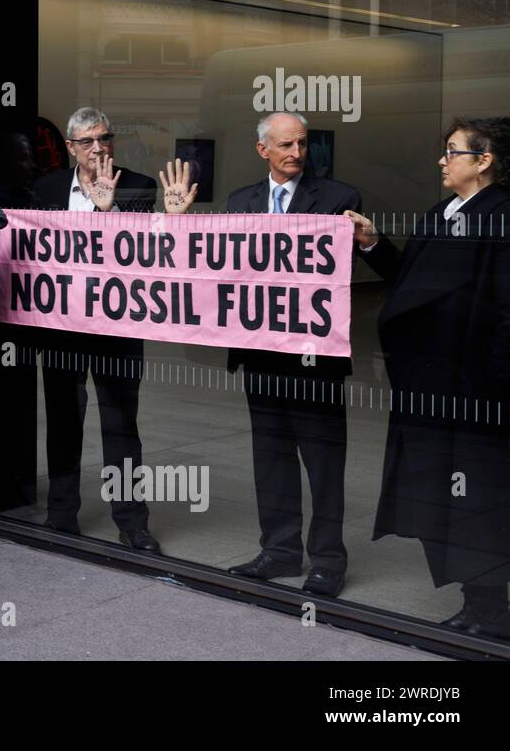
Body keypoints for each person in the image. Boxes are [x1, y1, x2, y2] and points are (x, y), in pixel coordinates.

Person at [164, 111, 365, 596]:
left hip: (315, 356)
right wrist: (180, 225)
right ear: (263, 151)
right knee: (270, 455)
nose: (296, 153)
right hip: (260, 353)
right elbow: (214, 270)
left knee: (323, 461)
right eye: (285, 146)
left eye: (302, 144)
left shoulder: (339, 199)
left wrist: (371, 240)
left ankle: (328, 561)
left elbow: (352, 263)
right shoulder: (241, 202)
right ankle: (278, 550)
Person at [349, 117, 510, 639]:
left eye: (452, 151)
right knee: (449, 494)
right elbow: (410, 282)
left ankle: (488, 609)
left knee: (478, 498)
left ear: (483, 161)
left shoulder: (502, 216)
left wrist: (493, 389)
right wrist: (373, 244)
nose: (442, 160)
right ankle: (477, 601)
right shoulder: (443, 212)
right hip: (431, 387)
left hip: (474, 391)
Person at [32, 107, 161, 552]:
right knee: (64, 422)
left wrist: (110, 209)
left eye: (104, 138)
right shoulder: (46, 188)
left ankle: (132, 523)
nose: (98, 148)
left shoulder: (140, 186)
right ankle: (61, 514)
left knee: (121, 424)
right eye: (87, 141)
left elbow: (148, 254)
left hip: (118, 327)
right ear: (70, 148)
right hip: (62, 327)